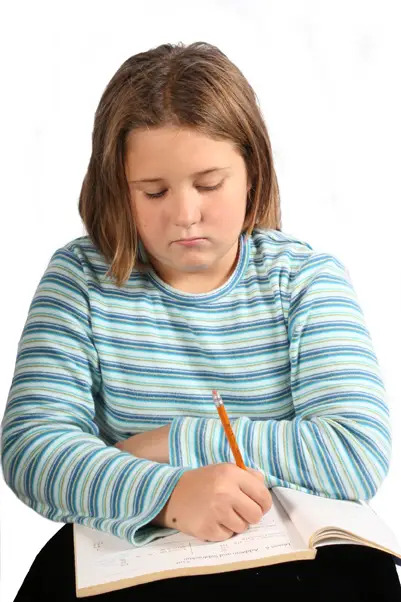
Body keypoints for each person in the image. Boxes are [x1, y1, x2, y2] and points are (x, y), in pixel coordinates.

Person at [1, 41, 400, 601]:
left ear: (252, 175)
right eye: (155, 191)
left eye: (209, 184)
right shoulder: (80, 279)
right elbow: (32, 447)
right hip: (137, 556)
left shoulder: (307, 280)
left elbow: (355, 454)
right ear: (118, 187)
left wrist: (171, 442)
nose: (185, 215)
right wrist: (169, 495)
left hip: (297, 563)